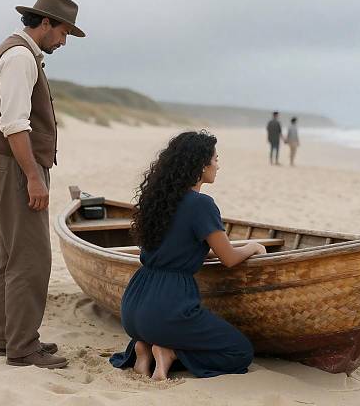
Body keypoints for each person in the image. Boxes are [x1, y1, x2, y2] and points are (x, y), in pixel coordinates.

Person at [0, 0, 85, 368]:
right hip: (16, 169)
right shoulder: (21, 57)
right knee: (31, 258)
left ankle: (11, 339)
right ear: (45, 24)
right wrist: (34, 177)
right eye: (63, 32)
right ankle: (23, 346)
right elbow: (14, 125)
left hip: (8, 167)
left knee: (10, 255)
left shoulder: (19, 53)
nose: (64, 41)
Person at [110, 131, 266, 380]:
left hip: (133, 306)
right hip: (169, 306)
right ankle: (169, 352)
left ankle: (144, 348)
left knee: (164, 331)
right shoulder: (201, 204)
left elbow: (172, 248)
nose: (218, 165)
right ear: (200, 164)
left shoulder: (158, 200)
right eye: (215, 159)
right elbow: (229, 258)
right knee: (240, 352)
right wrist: (253, 247)